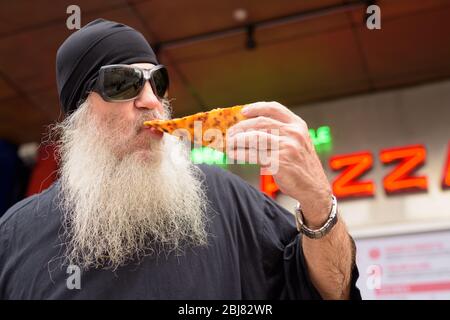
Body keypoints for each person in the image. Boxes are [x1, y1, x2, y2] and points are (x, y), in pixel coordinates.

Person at [0, 19, 361, 300]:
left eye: (157, 82)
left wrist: (316, 200)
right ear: (79, 113)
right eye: (123, 83)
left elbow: (332, 291)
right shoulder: (14, 235)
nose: (151, 101)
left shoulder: (224, 198)